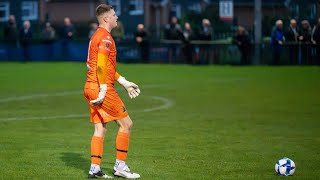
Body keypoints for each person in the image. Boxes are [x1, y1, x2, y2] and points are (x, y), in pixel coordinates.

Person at [84, 4, 141, 179]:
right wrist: (103, 89)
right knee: (126, 124)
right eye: (114, 15)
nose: (117, 17)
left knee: (100, 129)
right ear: (106, 18)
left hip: (89, 87)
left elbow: (101, 66)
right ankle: (120, 167)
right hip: (102, 88)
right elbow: (101, 66)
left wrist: (123, 82)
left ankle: (94, 169)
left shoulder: (96, 36)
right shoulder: (106, 38)